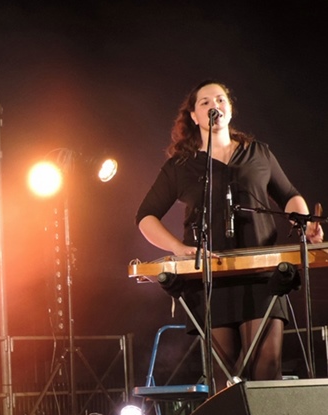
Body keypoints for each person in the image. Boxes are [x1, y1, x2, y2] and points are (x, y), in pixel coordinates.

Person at [135, 80, 323, 392]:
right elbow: (145, 216)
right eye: (204, 102)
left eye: (219, 99)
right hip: (212, 279)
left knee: (267, 367)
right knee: (226, 378)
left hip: (263, 276)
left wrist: (303, 222)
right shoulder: (181, 166)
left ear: (230, 109)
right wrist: (179, 248)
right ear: (195, 116)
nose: (213, 106)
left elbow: (290, 195)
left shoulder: (258, 153)